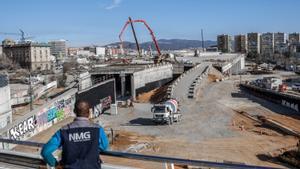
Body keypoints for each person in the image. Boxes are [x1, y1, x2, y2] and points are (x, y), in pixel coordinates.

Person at [41, 100, 109, 169]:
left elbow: (45, 152)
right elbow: (104, 147)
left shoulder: (63, 131)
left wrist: (56, 165)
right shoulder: (98, 129)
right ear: (89, 112)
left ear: (74, 111)